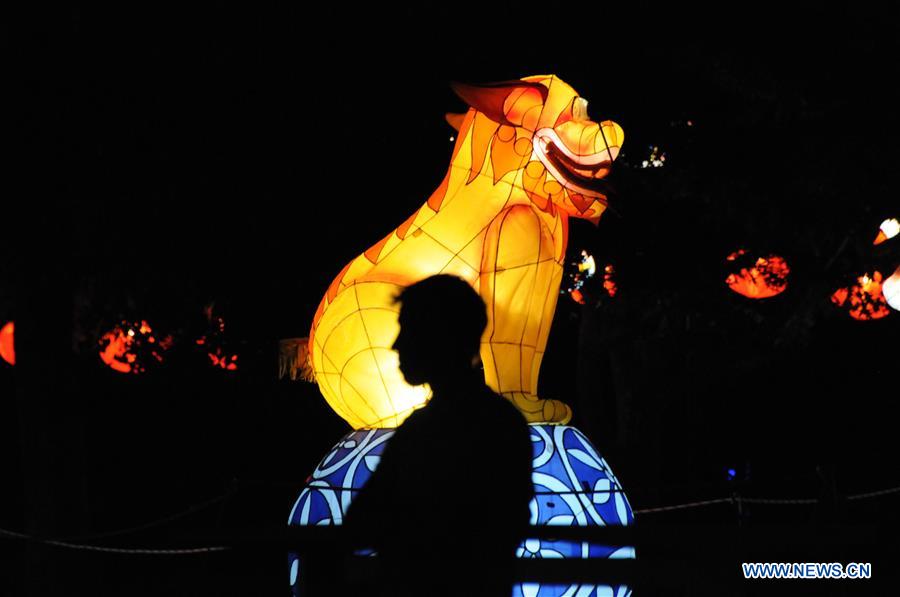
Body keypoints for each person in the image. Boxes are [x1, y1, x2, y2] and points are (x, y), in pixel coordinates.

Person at [343, 275, 534, 596]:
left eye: (409, 329)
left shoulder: (425, 430)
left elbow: (362, 521)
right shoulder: (502, 422)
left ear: (438, 337)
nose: (396, 344)